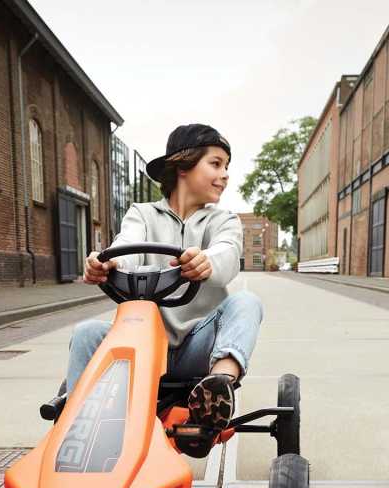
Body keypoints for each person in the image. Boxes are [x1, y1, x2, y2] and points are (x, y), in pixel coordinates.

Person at [67, 123, 264, 435]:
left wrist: (206, 262)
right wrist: (108, 262)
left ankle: (217, 390)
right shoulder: (142, 215)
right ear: (182, 166)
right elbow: (126, 245)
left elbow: (228, 253)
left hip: (199, 348)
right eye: (215, 163)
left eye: (227, 166)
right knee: (87, 332)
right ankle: (75, 422)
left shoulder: (223, 220)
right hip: (144, 343)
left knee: (247, 302)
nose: (225, 174)